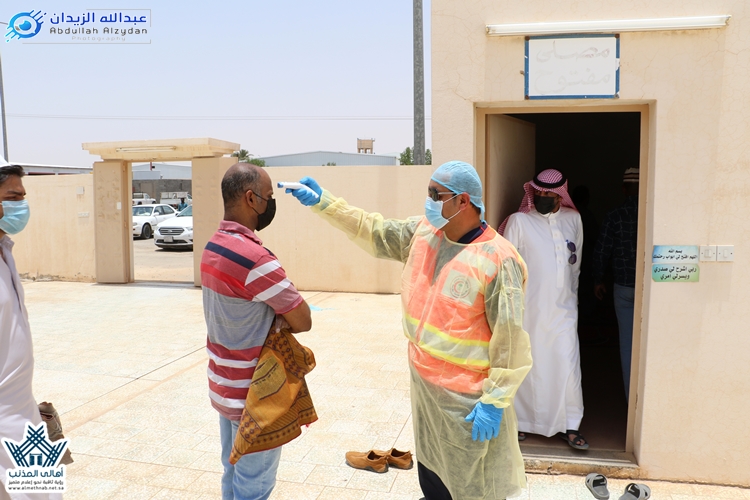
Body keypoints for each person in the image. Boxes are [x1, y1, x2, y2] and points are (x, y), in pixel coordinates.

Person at [286, 161, 532, 500]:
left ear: (463, 201)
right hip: (424, 384)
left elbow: (510, 341)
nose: (428, 201)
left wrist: (495, 400)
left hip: (467, 400)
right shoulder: (424, 234)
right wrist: (324, 202)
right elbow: (373, 230)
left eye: (436, 194)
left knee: (473, 485)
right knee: (432, 471)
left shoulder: (498, 259)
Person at [201, 163, 312, 500]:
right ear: (251, 199)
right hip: (255, 397)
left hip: (224, 387)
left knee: (232, 476)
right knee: (254, 490)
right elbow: (303, 319)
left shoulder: (213, 247)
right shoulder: (255, 259)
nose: (270, 203)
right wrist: (277, 315)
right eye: (268, 196)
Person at [499, 169, 588, 450]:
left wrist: (572, 299)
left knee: (567, 364)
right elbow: (506, 268)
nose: (543, 197)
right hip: (529, 311)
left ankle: (570, 424)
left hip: (564, 311)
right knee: (530, 365)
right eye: (539, 192)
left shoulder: (573, 219)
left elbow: (575, 265)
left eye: (550, 193)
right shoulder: (519, 221)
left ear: (561, 195)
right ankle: (521, 423)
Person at [0, 162, 62, 500]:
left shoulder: (5, 251)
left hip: (22, 410)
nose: (21, 205)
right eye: (13, 197)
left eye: (22, 197)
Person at [592, 168, 639, 402]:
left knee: (627, 345)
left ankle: (631, 401)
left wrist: (597, 279)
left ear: (623, 189)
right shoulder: (655, 212)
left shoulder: (614, 215)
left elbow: (602, 250)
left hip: (623, 287)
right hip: (652, 290)